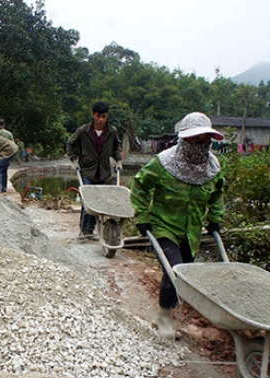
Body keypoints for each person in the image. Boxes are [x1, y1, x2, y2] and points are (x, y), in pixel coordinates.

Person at [130, 112, 225, 339]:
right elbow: (140, 185)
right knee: (175, 271)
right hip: (164, 226)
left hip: (191, 232)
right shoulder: (164, 163)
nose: (200, 146)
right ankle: (164, 317)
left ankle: (168, 314)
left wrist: (215, 218)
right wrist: (142, 216)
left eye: (205, 141)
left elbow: (217, 195)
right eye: (196, 141)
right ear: (184, 140)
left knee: (185, 273)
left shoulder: (212, 168)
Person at [66, 101, 122, 238]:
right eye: (98, 116)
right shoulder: (84, 131)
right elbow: (70, 143)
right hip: (87, 170)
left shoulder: (112, 131)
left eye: (104, 116)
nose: (101, 120)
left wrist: (119, 160)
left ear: (107, 116)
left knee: (98, 201)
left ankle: (91, 231)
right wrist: (74, 159)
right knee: (88, 201)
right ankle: (84, 231)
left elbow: (116, 148)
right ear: (93, 115)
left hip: (102, 171)